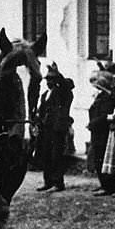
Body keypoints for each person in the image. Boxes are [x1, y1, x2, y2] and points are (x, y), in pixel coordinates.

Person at [34, 62, 74, 193]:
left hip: (57, 129)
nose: (49, 82)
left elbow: (65, 86)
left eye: (52, 79)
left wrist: (58, 73)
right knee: (46, 155)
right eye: (48, 79)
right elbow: (41, 110)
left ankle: (58, 182)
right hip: (46, 129)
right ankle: (48, 181)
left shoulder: (62, 93)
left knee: (56, 155)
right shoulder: (45, 94)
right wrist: (37, 122)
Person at [87, 71, 115, 196]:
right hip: (97, 131)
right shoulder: (102, 96)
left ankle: (109, 186)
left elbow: (105, 115)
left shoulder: (108, 97)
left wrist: (93, 123)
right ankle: (104, 184)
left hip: (102, 131)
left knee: (102, 158)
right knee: (98, 158)